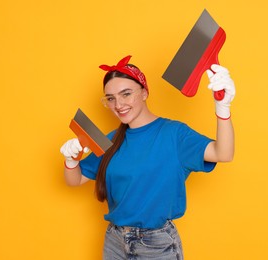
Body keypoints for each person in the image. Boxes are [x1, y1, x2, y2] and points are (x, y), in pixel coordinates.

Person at [60, 55, 235, 259]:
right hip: (115, 241)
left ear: (144, 92)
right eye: (111, 98)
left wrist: (223, 109)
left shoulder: (174, 134)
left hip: (156, 245)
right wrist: (71, 160)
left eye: (126, 94)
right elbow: (75, 180)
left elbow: (223, 153)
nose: (118, 104)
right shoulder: (111, 140)